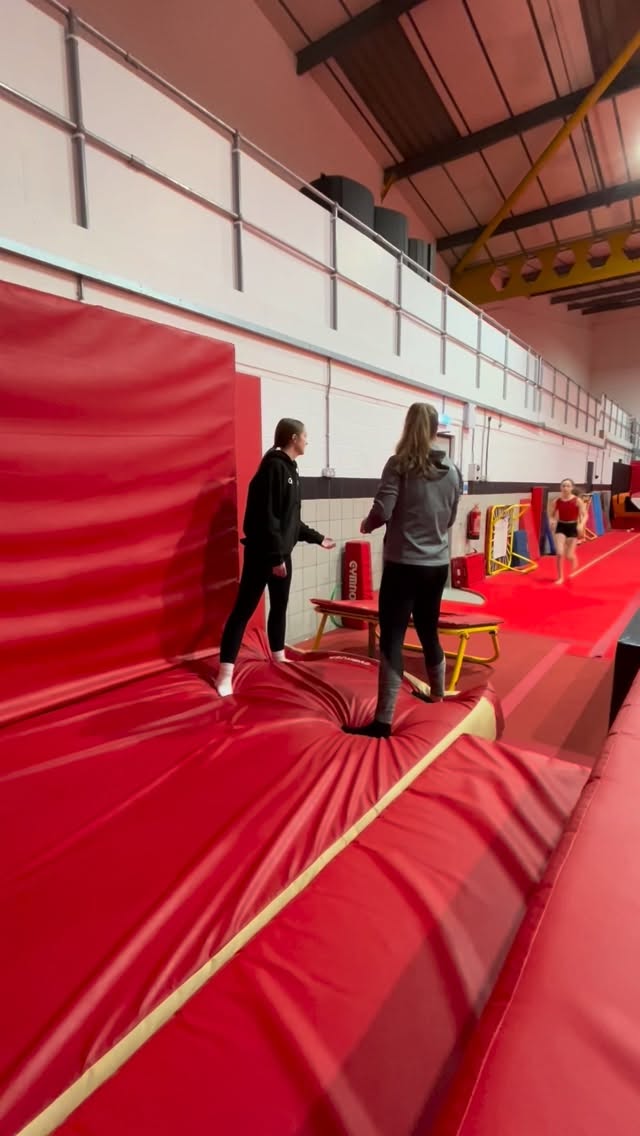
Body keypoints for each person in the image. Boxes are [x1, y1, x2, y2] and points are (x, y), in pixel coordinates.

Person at [343, 403, 462, 738]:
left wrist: (368, 524)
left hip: (403, 564)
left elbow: (384, 508)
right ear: (436, 429)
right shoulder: (452, 471)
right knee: (428, 630)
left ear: (408, 426)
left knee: (393, 637)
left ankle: (383, 720)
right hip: (436, 564)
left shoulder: (400, 465)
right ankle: (437, 697)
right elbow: (451, 517)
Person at [216, 418, 335, 697]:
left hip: (281, 555)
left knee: (279, 607)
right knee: (242, 611)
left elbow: (291, 522)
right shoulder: (273, 468)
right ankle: (225, 673)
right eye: (305, 436)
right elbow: (267, 518)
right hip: (264, 556)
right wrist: (275, 557)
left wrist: (318, 538)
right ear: (293, 438)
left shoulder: (291, 470)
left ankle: (278, 658)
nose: (308, 441)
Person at [549, 479, 587, 583]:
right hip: (561, 526)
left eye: (568, 486)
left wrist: (581, 524)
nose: (565, 488)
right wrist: (552, 521)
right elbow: (551, 515)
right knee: (560, 553)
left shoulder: (577, 501)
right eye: (563, 486)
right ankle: (560, 577)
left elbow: (585, 515)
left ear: (572, 488)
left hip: (572, 526)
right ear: (560, 488)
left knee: (569, 555)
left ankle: (573, 559)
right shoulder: (556, 501)